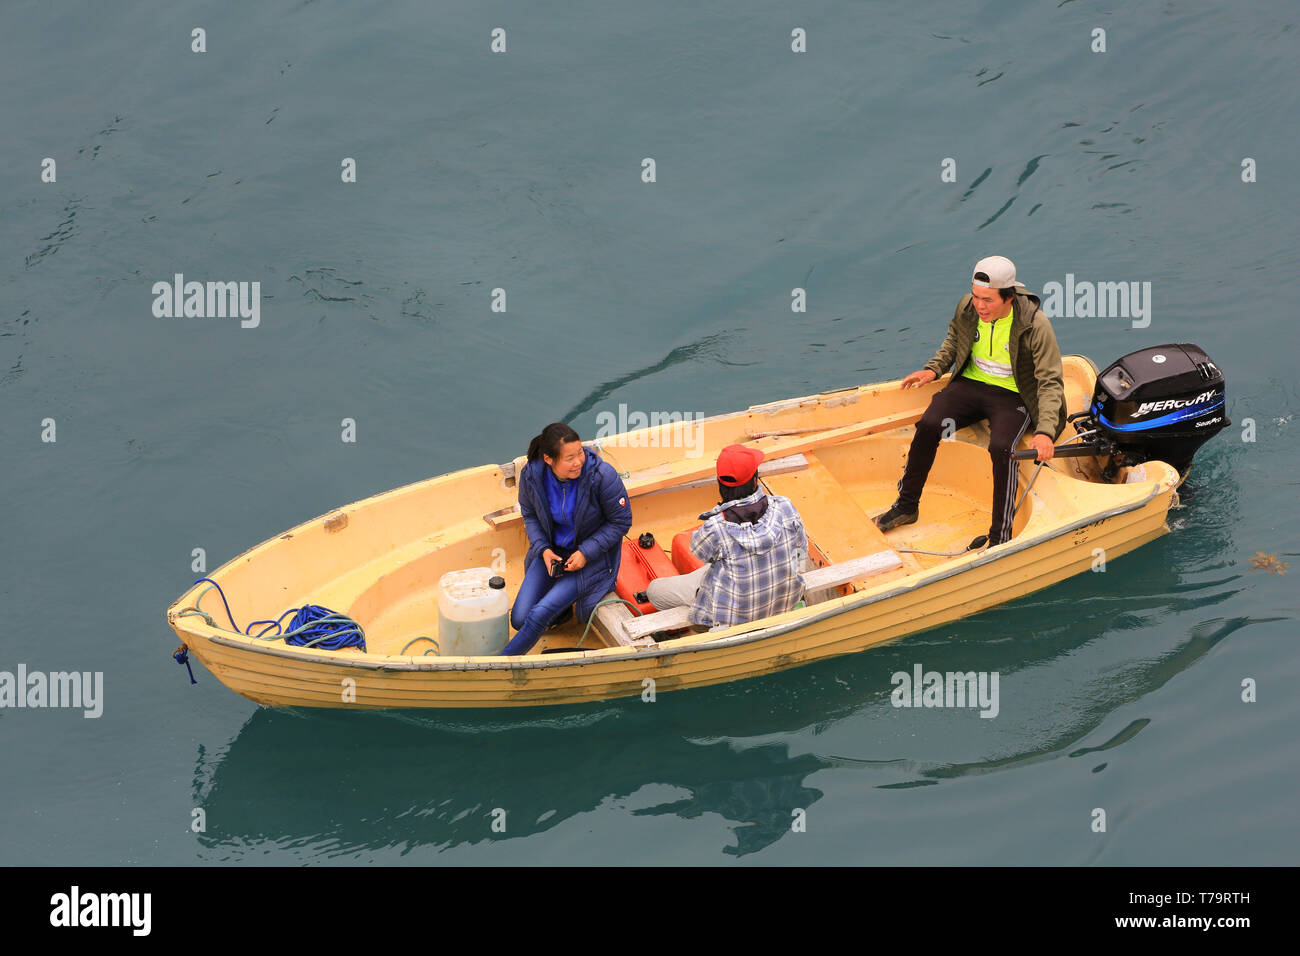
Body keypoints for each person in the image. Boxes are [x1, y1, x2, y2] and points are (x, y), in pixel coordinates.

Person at [873, 255, 1066, 548]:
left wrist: (1045, 431)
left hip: (1014, 395)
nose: (979, 305)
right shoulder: (967, 307)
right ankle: (907, 506)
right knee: (928, 425)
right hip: (971, 384)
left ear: (1009, 297)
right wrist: (933, 368)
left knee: (1002, 448)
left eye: (987, 300)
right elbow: (954, 340)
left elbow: (1050, 381)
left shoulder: (1034, 325)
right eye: (976, 297)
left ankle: (1000, 536)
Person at [501, 423, 632, 656]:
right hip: (553, 553)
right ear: (549, 459)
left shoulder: (602, 476)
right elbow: (529, 514)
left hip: (592, 559)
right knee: (520, 620)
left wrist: (585, 553)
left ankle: (500, 665)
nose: (578, 462)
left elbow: (620, 522)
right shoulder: (532, 475)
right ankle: (561, 611)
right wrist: (542, 549)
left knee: (539, 613)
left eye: (580, 453)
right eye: (569, 458)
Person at [646, 444, 807, 629]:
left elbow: (698, 552)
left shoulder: (716, 527)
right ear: (755, 481)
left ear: (720, 484)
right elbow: (801, 553)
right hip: (785, 602)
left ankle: (700, 627)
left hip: (733, 620)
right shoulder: (785, 505)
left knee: (655, 590)